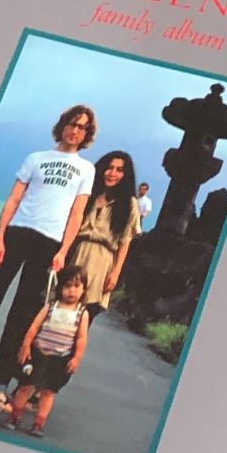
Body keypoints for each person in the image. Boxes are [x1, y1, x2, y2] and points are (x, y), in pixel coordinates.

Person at [0, 104, 98, 411]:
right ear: (62, 125)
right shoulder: (36, 158)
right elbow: (13, 199)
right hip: (17, 235)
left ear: (87, 134)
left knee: (21, 317)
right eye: (72, 124)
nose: (75, 131)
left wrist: (63, 251)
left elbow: (77, 214)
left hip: (49, 244)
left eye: (82, 127)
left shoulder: (86, 169)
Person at [49, 149, 142, 381]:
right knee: (56, 317)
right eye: (109, 168)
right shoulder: (88, 193)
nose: (113, 173)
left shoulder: (129, 204)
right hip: (77, 253)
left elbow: (125, 242)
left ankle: (52, 385)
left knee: (80, 325)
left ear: (126, 175)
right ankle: (32, 380)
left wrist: (116, 272)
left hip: (102, 261)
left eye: (119, 170)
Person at [3, 266, 89, 439]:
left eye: (76, 286)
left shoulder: (82, 313)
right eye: (67, 286)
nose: (72, 290)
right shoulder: (50, 307)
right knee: (24, 386)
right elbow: (34, 327)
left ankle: (38, 423)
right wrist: (26, 347)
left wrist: (76, 358)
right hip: (38, 354)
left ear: (84, 289)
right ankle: (14, 416)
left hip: (60, 359)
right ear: (60, 288)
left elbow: (81, 338)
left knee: (48, 392)